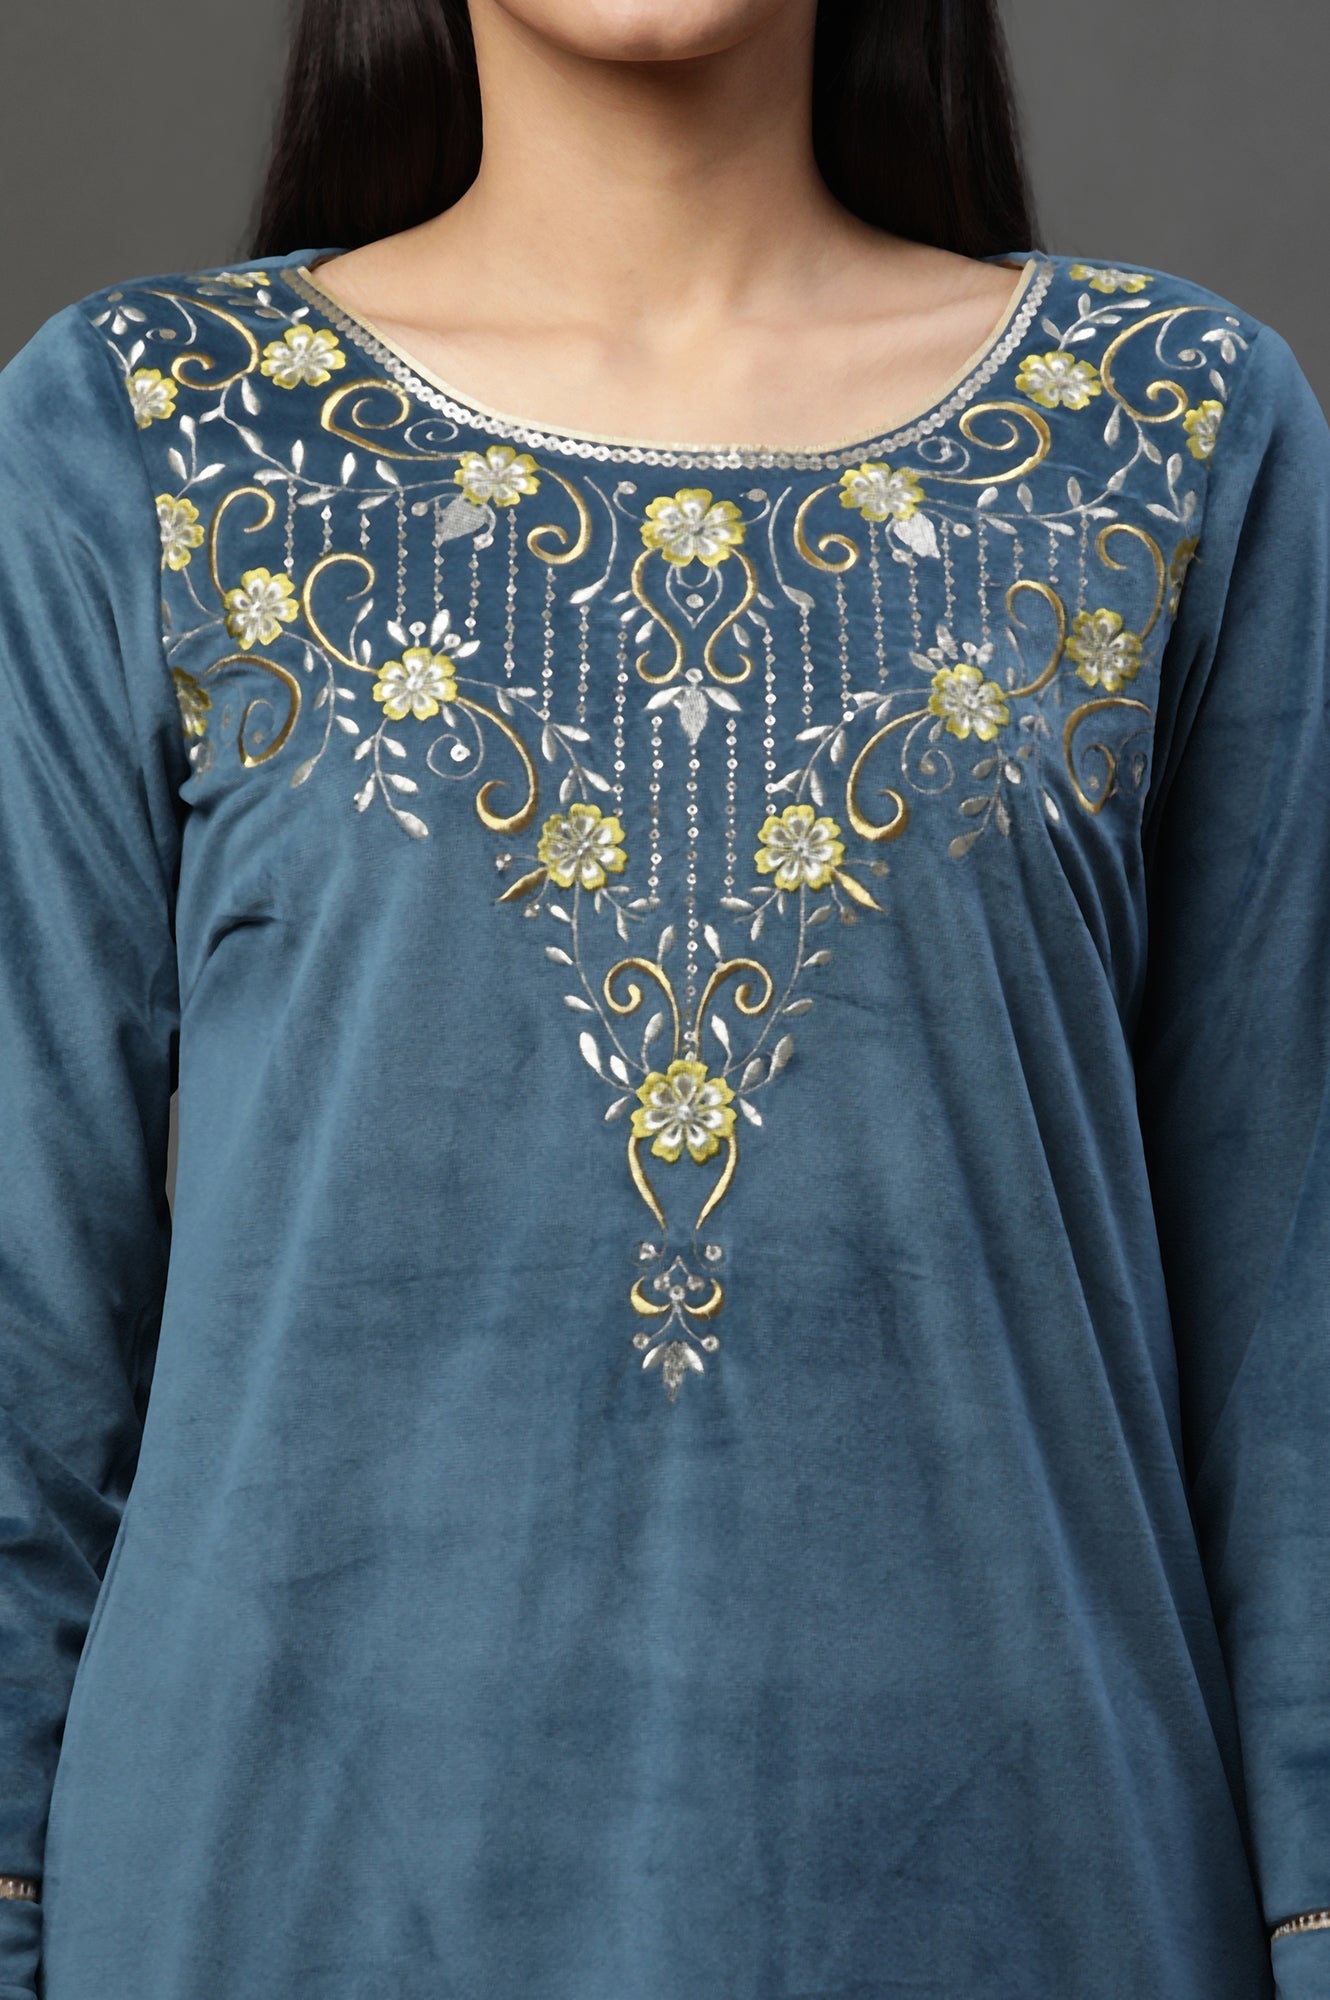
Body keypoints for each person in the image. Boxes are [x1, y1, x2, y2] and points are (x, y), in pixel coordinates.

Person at [0, 2, 1326, 1995]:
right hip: (275, 1901)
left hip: (1034, 1899)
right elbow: (21, 1325)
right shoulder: (156, 433)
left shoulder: (1167, 432)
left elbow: (1295, 1339)